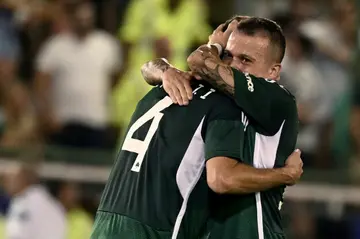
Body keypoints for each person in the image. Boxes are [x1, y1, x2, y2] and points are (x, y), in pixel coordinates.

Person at [90, 18, 302, 238]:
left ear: (274, 71)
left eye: (246, 60)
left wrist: (211, 47)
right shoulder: (207, 95)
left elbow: (221, 179)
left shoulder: (277, 100)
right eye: (228, 56)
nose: (232, 65)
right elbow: (156, 68)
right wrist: (165, 70)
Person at [34, 0, 122, 149]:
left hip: (97, 120)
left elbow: (116, 80)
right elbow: (41, 82)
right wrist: (46, 113)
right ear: (71, 18)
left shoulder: (106, 45)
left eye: (87, 18)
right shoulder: (55, 45)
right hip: (63, 121)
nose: (83, 22)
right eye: (80, 18)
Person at [4, 164, 66, 239]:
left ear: (22, 179)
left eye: (11, 178)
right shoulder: (54, 204)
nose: (6, 183)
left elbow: (18, 235)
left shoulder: (25, 203)